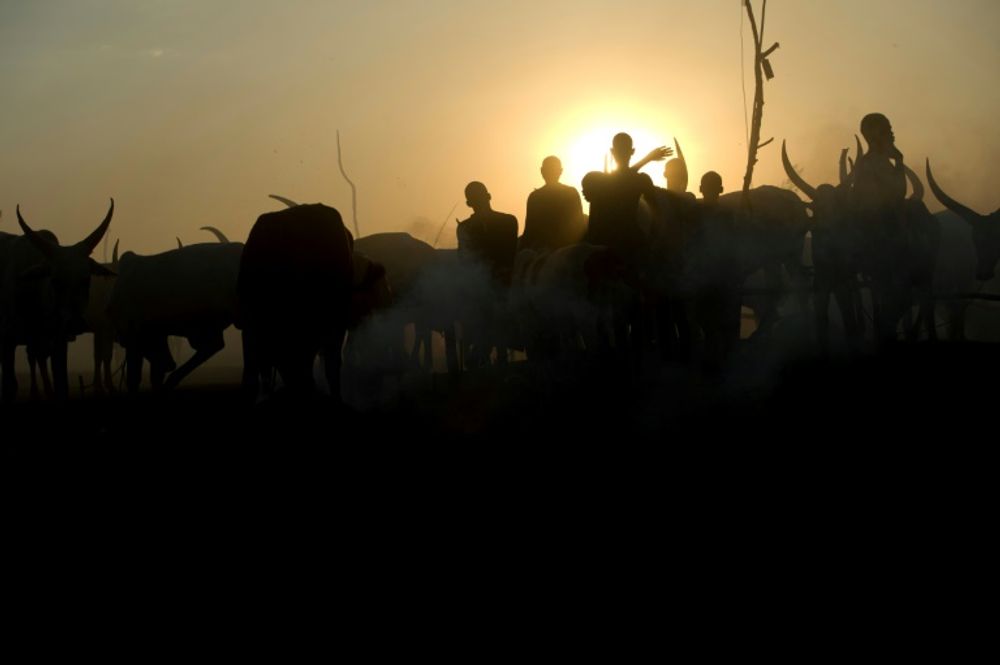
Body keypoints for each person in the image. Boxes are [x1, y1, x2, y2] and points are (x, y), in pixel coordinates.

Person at [456, 181, 518, 366]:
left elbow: (464, 260)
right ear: (489, 196)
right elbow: (511, 253)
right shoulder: (509, 221)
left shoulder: (465, 228)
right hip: (503, 282)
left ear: (469, 203)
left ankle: (482, 349)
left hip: (487, 285)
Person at [520, 156, 585, 252]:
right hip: (566, 247)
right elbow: (580, 225)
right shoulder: (571, 192)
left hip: (548, 248)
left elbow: (529, 231)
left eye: (551, 169)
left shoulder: (535, 197)